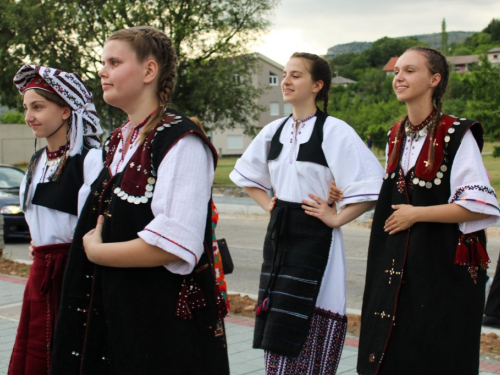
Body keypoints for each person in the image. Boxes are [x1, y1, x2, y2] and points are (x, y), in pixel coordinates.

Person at [50, 26, 229, 375]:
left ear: (149, 71)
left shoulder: (182, 141)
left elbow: (176, 244)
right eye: (103, 62)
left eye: (114, 62)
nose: (102, 71)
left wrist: (97, 252)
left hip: (158, 324)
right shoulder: (117, 141)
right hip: (117, 312)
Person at [332, 47, 499, 374]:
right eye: (397, 72)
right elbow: (390, 190)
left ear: (434, 79)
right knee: (394, 352)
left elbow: (479, 204)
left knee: (434, 351)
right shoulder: (396, 134)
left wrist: (416, 214)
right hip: (399, 266)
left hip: (440, 270)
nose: (399, 78)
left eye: (409, 71)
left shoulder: (456, 134)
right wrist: (341, 193)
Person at [229, 52, 384, 374]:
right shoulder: (274, 131)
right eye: (285, 74)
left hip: (317, 236)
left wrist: (337, 217)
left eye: (296, 75)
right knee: (278, 312)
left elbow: (371, 184)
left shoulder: (335, 131)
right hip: (281, 235)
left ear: (317, 85)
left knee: (313, 309)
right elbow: (246, 176)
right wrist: (268, 205)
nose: (286, 80)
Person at [9, 65, 103, 375]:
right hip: (42, 272)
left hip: (76, 272)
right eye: (26, 108)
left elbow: (98, 223)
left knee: (70, 356)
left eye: (38, 106)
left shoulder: (90, 159)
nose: (29, 117)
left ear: (66, 110)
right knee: (37, 355)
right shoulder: (36, 163)